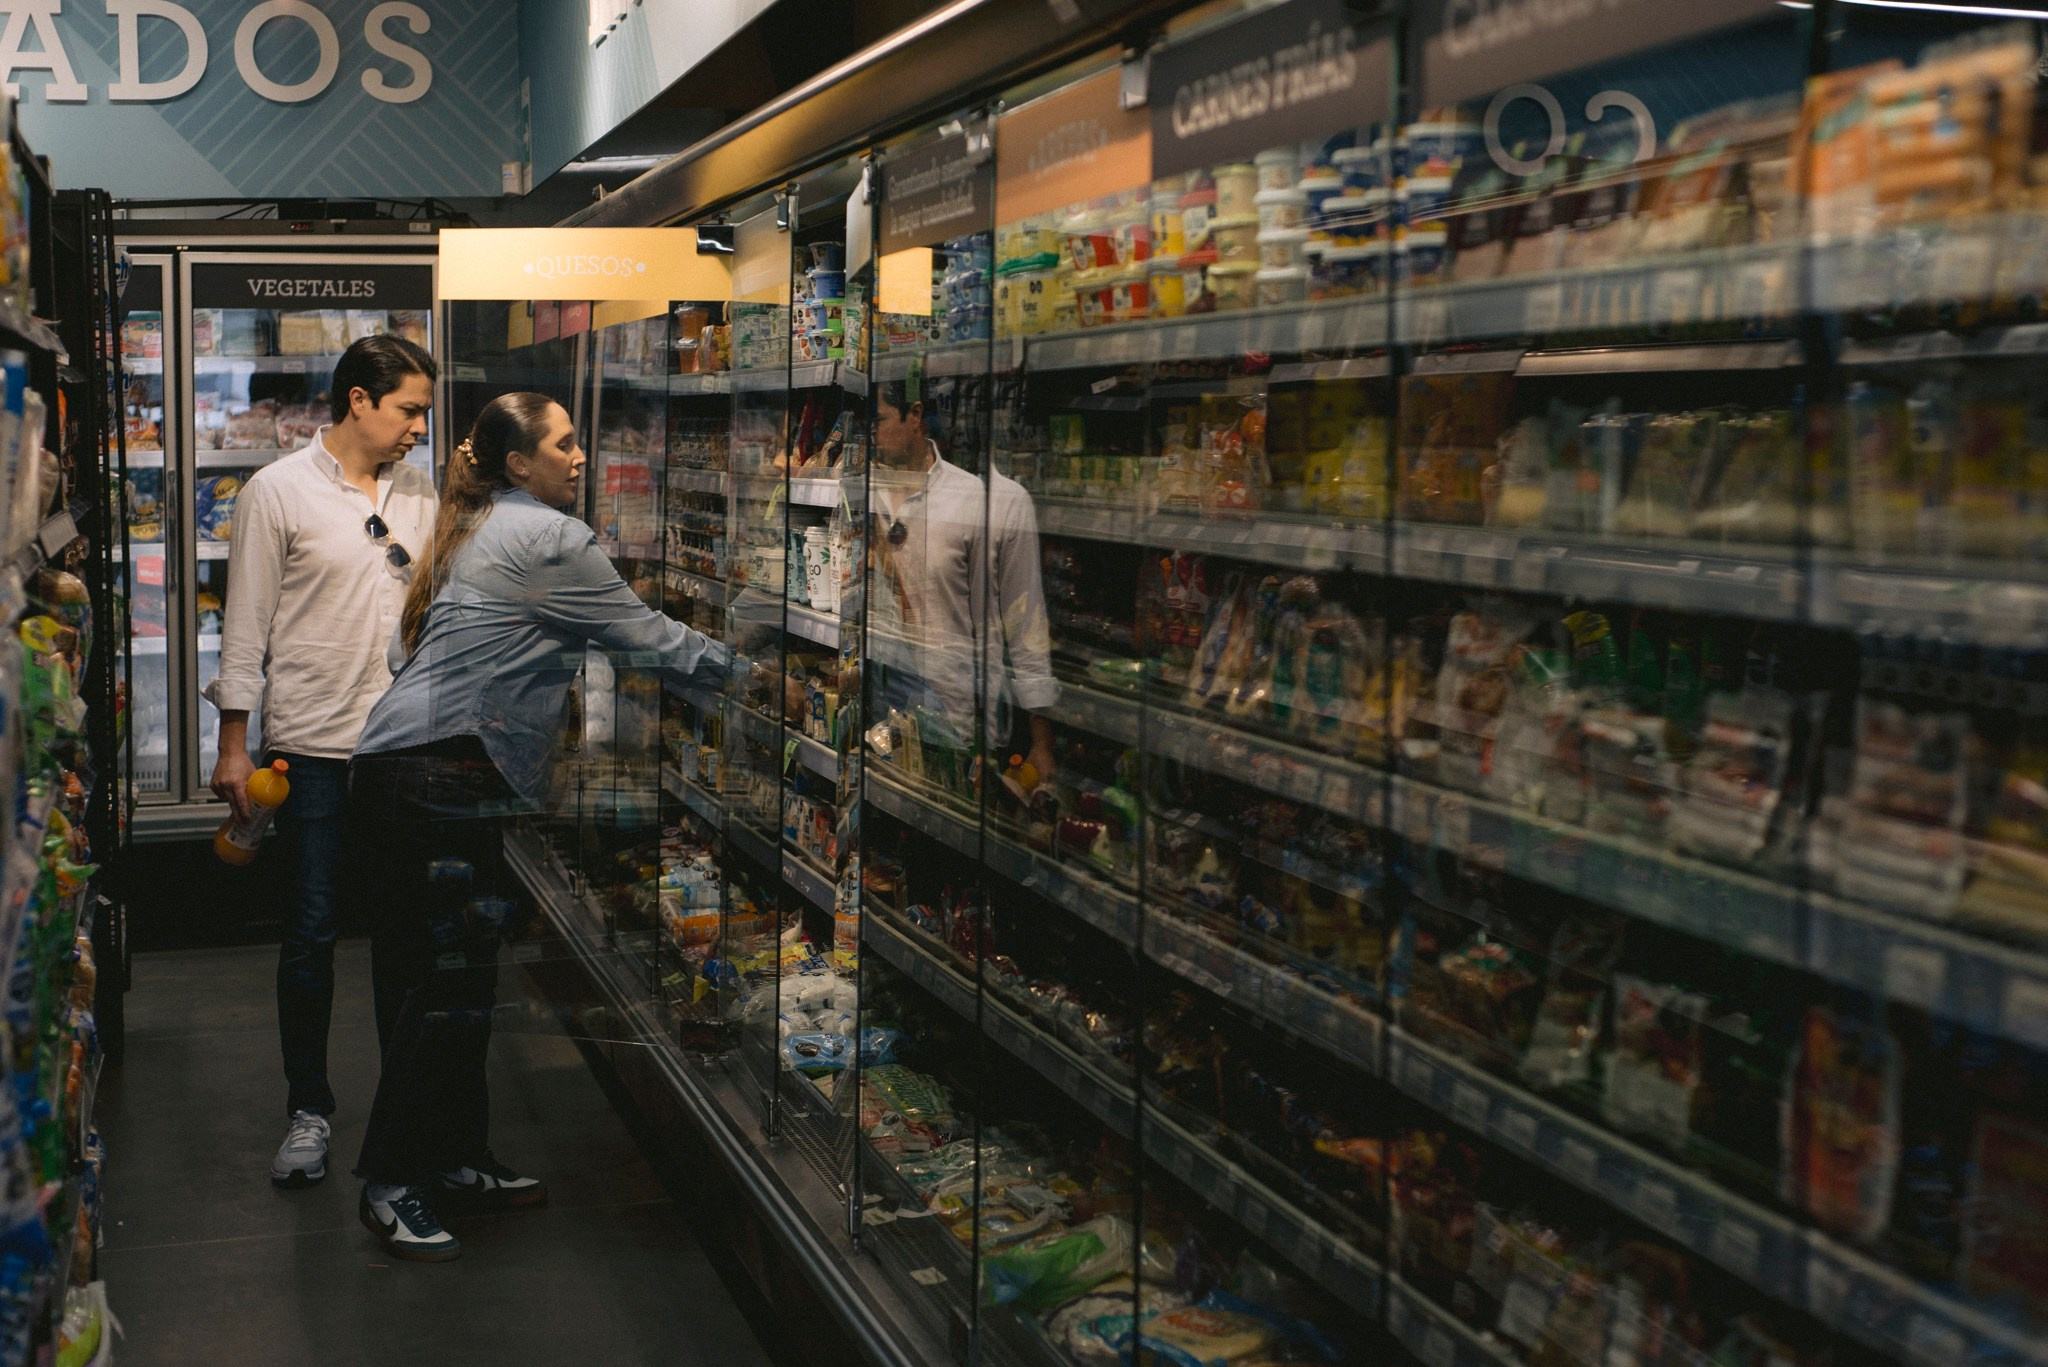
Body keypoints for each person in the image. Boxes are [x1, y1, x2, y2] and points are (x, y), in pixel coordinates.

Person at [347, 392, 774, 1261]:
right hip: (445, 779)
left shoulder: (481, 525)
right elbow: (645, 638)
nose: (580, 458)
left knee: (441, 984)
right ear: (519, 464)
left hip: (398, 772)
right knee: (447, 990)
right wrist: (751, 677)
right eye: (566, 444)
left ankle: (456, 1158)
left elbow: (405, 652)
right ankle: (393, 1182)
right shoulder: (551, 536)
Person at [204, 333, 437, 1190]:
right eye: (409, 408)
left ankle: (403, 1113)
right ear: (359, 401)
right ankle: (309, 1108)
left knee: (403, 940)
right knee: (309, 934)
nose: (419, 426)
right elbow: (246, 625)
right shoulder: (277, 492)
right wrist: (234, 742)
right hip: (309, 749)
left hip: (402, 747)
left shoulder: (421, 494)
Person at [868, 377, 1059, 783]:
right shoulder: (862, 493)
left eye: (880, 420)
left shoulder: (993, 501)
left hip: (962, 735)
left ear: (915, 415)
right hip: (884, 723)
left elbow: (1026, 630)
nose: (871, 436)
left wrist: (1041, 746)